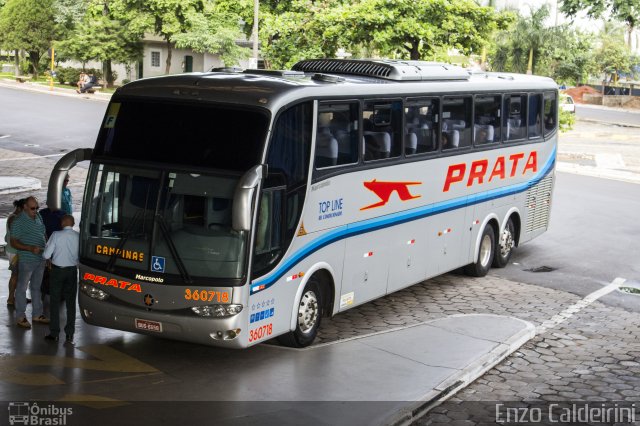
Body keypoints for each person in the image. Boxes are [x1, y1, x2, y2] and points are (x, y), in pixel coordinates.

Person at [10, 196, 49, 328]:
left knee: (36, 288)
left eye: (37, 207)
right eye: (33, 208)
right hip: (27, 260)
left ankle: (37, 314)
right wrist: (29, 248)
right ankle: (21, 317)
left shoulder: (38, 216)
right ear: (25, 207)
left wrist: (48, 251)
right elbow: (13, 242)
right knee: (21, 288)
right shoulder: (18, 222)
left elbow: (43, 234)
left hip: (41, 258)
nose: (36, 210)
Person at [43, 215, 79, 344]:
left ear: (62, 223)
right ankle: (69, 334)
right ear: (73, 223)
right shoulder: (78, 236)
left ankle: (54, 333)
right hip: (72, 271)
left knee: (55, 302)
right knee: (70, 303)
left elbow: (46, 254)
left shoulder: (56, 235)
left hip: (58, 271)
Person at [5, 198, 26, 306]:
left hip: (15, 250)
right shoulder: (14, 218)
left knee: (20, 275)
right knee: (15, 274)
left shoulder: (15, 217)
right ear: (19, 208)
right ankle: (10, 298)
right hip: (15, 251)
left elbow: (6, 237)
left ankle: (18, 296)